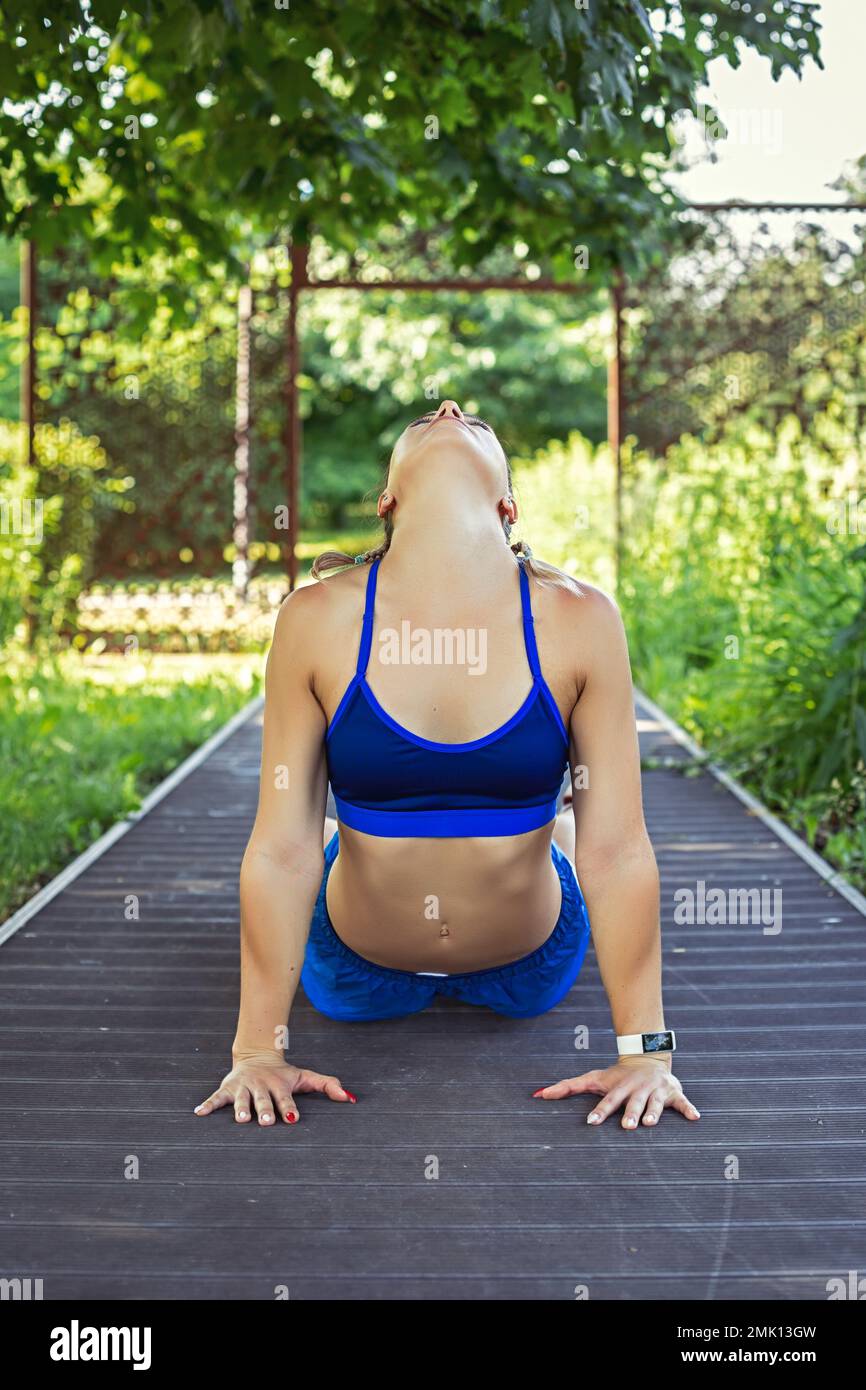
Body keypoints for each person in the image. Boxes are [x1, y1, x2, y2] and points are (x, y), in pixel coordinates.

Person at [195, 400, 699, 1131]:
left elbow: (619, 849)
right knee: (332, 839)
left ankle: (541, 834)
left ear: (508, 506)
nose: (451, 407)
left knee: (570, 838)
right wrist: (254, 1051)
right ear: (387, 499)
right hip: (351, 969)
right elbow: (280, 846)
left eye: (479, 423)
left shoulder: (583, 618)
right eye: (431, 417)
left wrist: (647, 1055)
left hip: (530, 967)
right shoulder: (313, 618)